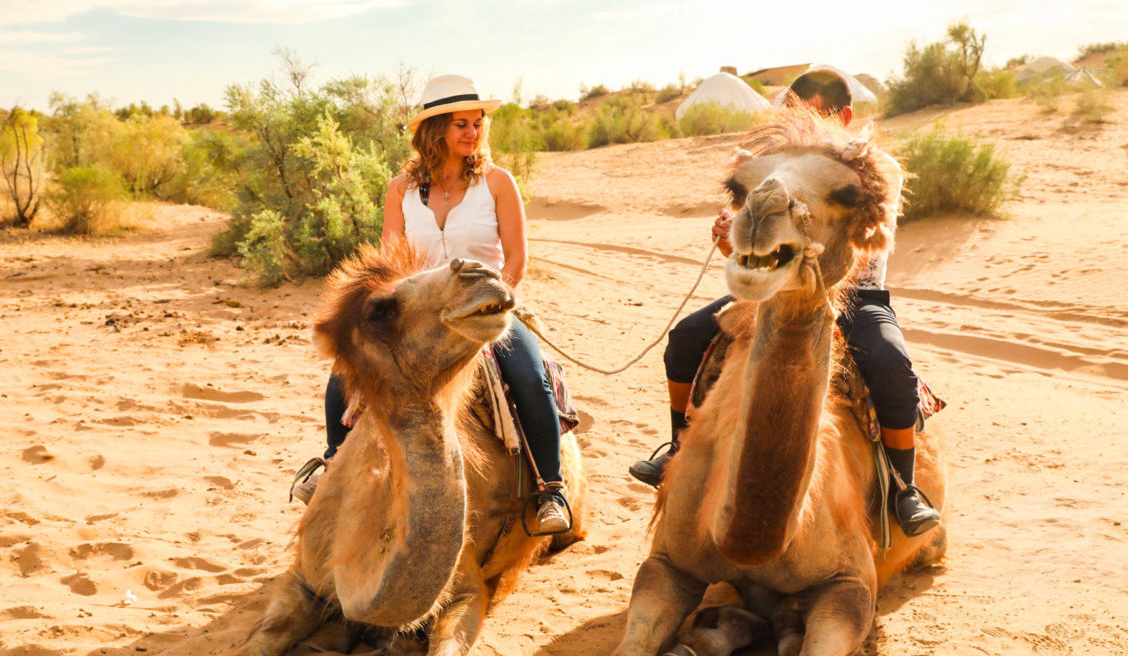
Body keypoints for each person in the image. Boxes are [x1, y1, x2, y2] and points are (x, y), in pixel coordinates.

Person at [628, 68, 940, 537]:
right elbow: (755, 244)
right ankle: (677, 451)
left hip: (853, 293)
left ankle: (904, 485)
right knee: (686, 338)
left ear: (844, 115)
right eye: (791, 114)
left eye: (810, 113)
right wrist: (732, 242)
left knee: (890, 361)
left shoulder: (876, 170)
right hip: (780, 289)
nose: (801, 126)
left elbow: (870, 246)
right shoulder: (781, 166)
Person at [293, 74, 572, 533]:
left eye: (477, 123)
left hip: (486, 310)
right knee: (347, 368)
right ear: (434, 130)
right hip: (419, 311)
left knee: (528, 375)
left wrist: (490, 307)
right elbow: (389, 261)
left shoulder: (498, 183)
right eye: (460, 123)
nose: (472, 132)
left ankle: (552, 489)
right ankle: (332, 466)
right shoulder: (400, 189)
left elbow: (517, 260)